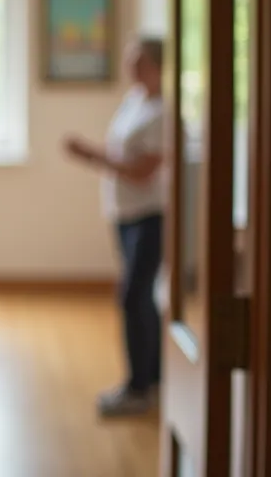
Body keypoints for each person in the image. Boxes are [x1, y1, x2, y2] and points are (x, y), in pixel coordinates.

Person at [63, 37, 166, 417]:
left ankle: (138, 387)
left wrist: (92, 155)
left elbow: (143, 170)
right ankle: (154, 378)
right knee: (143, 298)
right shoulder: (134, 102)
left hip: (150, 214)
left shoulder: (161, 112)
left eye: (137, 61)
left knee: (131, 297)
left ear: (156, 64)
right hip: (125, 213)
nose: (130, 67)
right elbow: (122, 154)